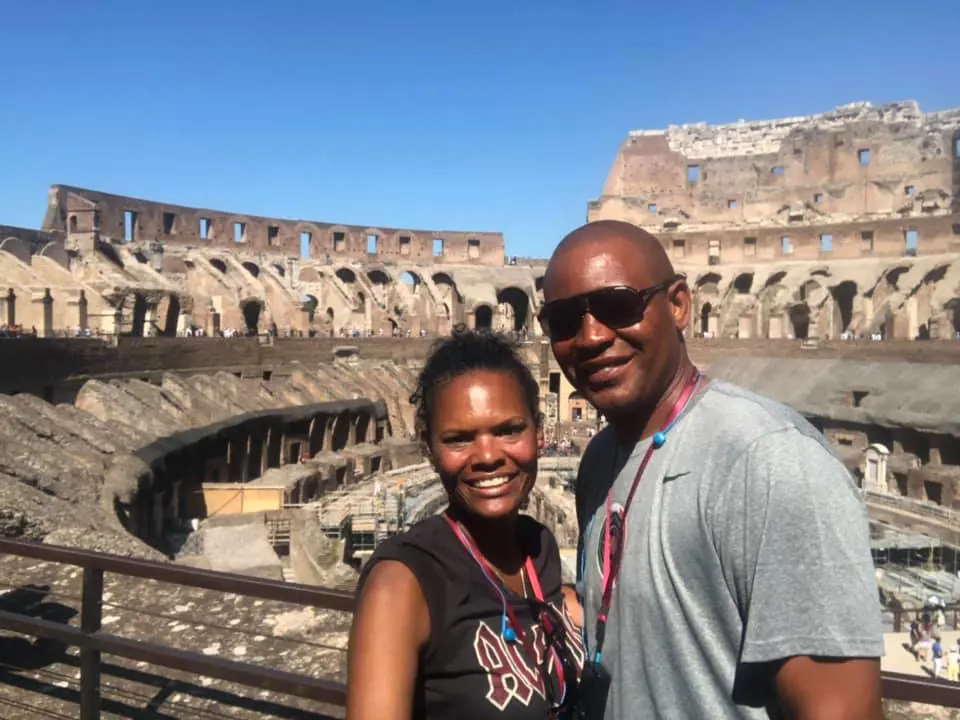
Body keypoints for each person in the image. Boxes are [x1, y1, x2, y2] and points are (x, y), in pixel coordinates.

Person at [539, 219, 884, 719]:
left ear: (679, 305)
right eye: (566, 320)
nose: (591, 337)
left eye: (619, 307)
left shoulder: (768, 460)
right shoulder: (598, 461)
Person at [346, 328, 584, 720]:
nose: (487, 456)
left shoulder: (539, 548)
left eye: (508, 430)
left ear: (539, 432)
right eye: (459, 439)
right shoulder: (403, 584)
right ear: (429, 448)